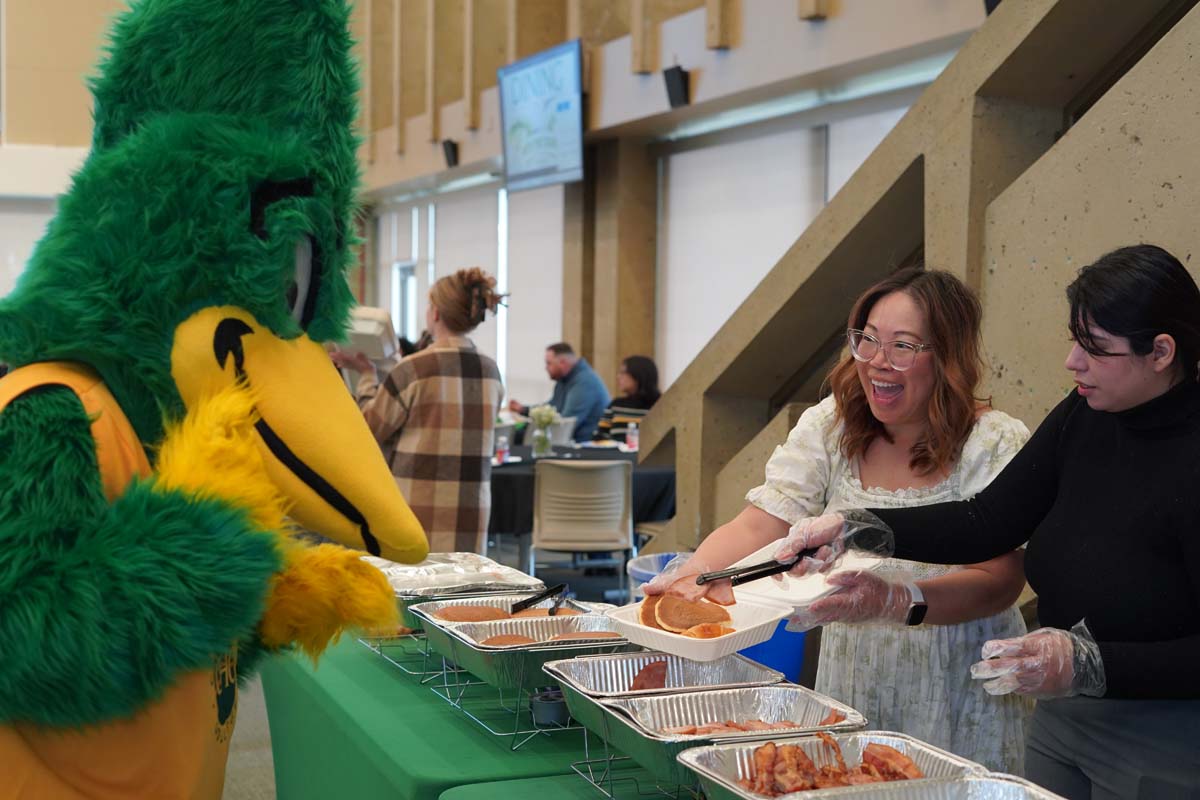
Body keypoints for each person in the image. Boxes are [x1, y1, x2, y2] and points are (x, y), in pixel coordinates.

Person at [781, 245, 1200, 798]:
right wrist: (859, 525)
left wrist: (1094, 665)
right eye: (1074, 340)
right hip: (1061, 715)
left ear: (1162, 352)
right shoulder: (1085, 412)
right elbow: (989, 520)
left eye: (1094, 349)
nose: (1072, 362)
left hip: (1161, 730)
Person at [645, 268, 1032, 773]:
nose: (877, 363)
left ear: (948, 357)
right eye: (867, 341)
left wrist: (895, 599)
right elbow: (763, 522)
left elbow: (1000, 581)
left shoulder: (994, 442)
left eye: (904, 346)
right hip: (857, 667)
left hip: (957, 673)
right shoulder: (832, 424)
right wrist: (696, 572)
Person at [333, 267, 504, 553]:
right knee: (463, 594)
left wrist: (365, 375)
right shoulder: (491, 371)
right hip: (471, 511)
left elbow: (369, 428)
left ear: (435, 313)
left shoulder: (414, 368)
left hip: (416, 509)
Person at [508, 342, 610, 442]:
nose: (546, 368)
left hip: (584, 446)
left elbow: (566, 423)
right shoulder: (564, 380)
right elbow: (552, 409)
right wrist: (523, 409)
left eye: (549, 363)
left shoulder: (584, 382)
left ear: (562, 363)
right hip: (570, 442)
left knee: (520, 437)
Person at [597, 355, 661, 441]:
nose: (618, 377)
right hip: (614, 454)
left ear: (638, 375)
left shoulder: (660, 405)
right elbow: (599, 437)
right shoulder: (616, 405)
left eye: (623, 373)